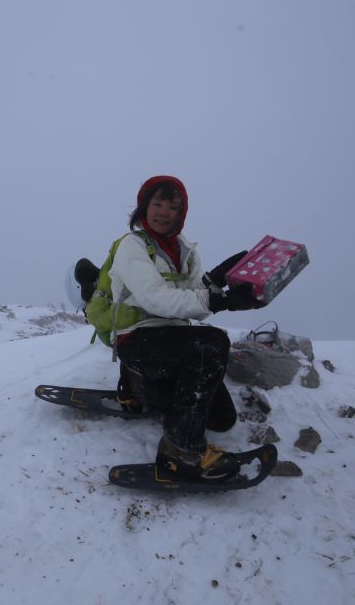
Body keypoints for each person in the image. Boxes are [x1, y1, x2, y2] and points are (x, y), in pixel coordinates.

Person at [76, 175, 262, 481]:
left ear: (181, 212)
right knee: (211, 343)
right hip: (137, 338)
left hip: (171, 339)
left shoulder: (185, 250)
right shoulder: (132, 246)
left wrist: (217, 282)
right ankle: (181, 449)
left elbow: (193, 299)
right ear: (144, 206)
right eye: (157, 204)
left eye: (173, 207)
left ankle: (140, 387)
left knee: (221, 418)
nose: (164, 212)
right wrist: (220, 302)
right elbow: (156, 298)